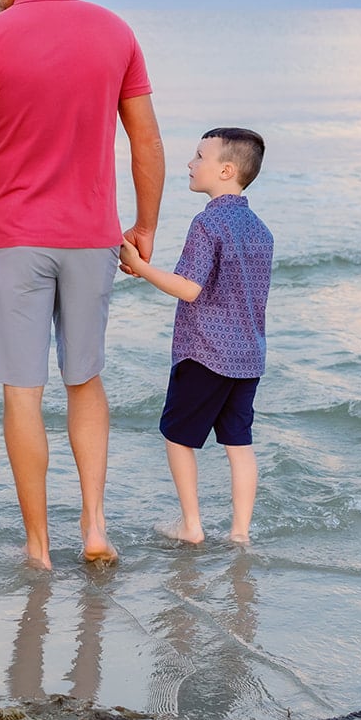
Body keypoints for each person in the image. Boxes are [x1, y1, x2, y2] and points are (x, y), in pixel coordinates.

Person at [0, 0, 166, 569]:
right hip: (92, 237)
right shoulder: (115, 32)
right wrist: (145, 222)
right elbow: (145, 139)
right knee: (85, 379)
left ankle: (39, 547)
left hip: (16, 239)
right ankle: (94, 524)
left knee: (22, 390)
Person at [119, 128, 272, 545]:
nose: (190, 163)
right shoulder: (261, 229)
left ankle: (192, 526)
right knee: (239, 443)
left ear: (225, 170)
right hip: (248, 356)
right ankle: (240, 533)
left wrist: (139, 266)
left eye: (199, 156)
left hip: (204, 351)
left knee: (177, 435)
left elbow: (190, 287)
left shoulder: (207, 222)